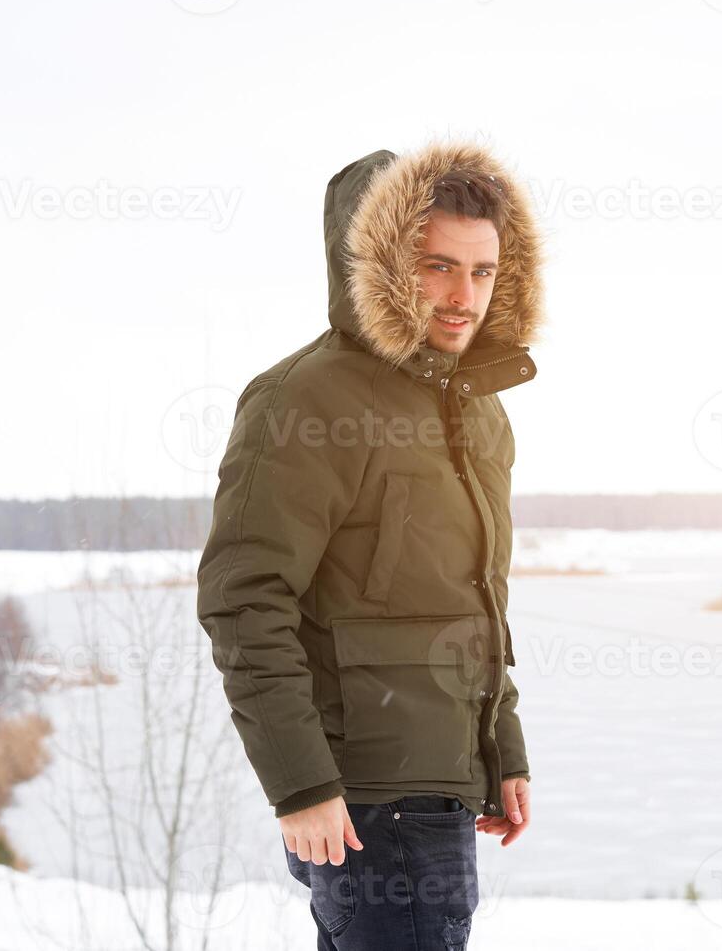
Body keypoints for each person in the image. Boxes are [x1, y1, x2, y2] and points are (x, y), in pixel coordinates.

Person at [195, 138, 545, 950]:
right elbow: (243, 601)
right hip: (366, 803)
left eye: (484, 271)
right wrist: (302, 785)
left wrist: (502, 748)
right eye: (437, 267)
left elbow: (472, 598)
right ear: (382, 265)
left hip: (438, 787)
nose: (464, 297)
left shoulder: (478, 410)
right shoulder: (303, 399)